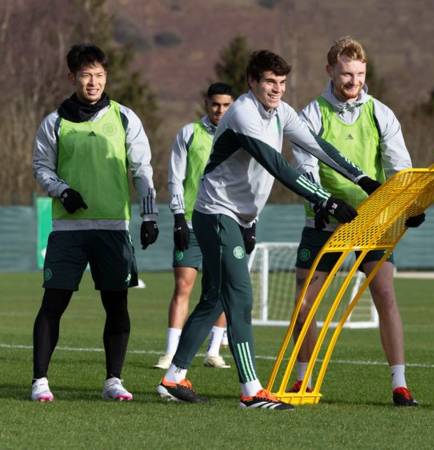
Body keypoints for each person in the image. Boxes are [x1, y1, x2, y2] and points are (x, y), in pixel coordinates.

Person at [156, 49, 380, 410]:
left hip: (238, 217)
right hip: (216, 214)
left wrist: (364, 179)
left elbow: (318, 146)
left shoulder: (281, 112)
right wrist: (325, 199)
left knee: (214, 297)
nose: (277, 89)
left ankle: (174, 377)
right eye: (269, 83)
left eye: (282, 83)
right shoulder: (243, 113)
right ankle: (250, 391)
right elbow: (277, 165)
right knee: (240, 297)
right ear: (252, 82)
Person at [291, 36, 424, 407]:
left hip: (373, 219)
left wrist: (410, 204)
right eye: (347, 73)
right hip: (324, 221)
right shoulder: (311, 114)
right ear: (330, 70)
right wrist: (325, 203)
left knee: (385, 294)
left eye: (360, 73)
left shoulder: (381, 113)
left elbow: (400, 165)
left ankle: (400, 383)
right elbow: (305, 167)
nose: (354, 81)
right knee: (305, 302)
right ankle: (302, 379)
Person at [31, 43, 159, 402]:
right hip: (68, 231)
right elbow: (42, 167)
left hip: (114, 228)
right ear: (72, 76)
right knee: (53, 303)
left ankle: (113, 381)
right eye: (86, 75)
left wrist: (150, 215)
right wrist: (62, 191)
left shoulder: (124, 118)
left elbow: (142, 169)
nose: (93, 82)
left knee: (117, 305)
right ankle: (39, 381)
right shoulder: (54, 122)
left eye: (100, 75)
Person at [153, 83, 235, 371]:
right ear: (206, 103)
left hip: (225, 224)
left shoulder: (239, 135)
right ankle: (171, 353)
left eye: (226, 105)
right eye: (215, 104)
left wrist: (250, 223)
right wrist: (177, 215)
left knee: (222, 287)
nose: (220, 110)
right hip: (190, 222)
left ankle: (213, 351)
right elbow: (176, 177)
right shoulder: (189, 133)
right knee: (183, 286)